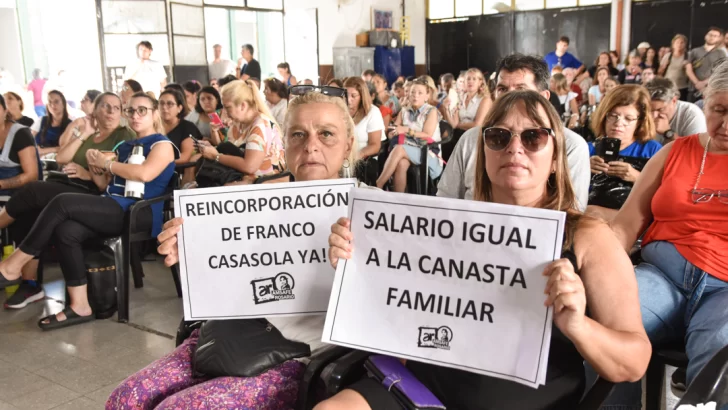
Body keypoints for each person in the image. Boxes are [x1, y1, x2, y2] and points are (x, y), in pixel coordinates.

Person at [317, 90, 651, 410]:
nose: (515, 149)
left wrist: (579, 326)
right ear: (484, 153)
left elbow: (632, 364)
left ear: (554, 158)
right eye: (498, 137)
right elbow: (397, 312)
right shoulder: (442, 226)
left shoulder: (587, 237)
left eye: (533, 137)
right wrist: (357, 267)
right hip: (421, 388)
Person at [107, 90, 359, 410]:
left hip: (303, 353)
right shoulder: (246, 203)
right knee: (124, 399)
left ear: (348, 144)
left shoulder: (371, 213)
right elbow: (225, 274)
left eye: (326, 133)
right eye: (298, 134)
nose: (311, 144)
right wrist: (195, 252)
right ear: (283, 143)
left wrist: (353, 266)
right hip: (233, 334)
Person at [598, 58, 728, 410]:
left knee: (719, 348)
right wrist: (596, 271)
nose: (726, 124)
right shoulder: (676, 151)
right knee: (602, 326)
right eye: (719, 110)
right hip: (662, 275)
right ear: (707, 102)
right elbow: (626, 224)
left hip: (724, 288)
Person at [0, 92, 175, 330]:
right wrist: (94, 165)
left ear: (154, 114)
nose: (135, 115)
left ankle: (13, 266)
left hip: (137, 213)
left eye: (142, 110)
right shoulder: (124, 146)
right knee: (66, 230)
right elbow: (105, 186)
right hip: (112, 204)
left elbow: (144, 174)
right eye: (131, 110)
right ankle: (80, 305)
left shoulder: (162, 145)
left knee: (62, 202)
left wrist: (107, 164)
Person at [1, 93, 134, 309]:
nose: (111, 112)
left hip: (94, 195)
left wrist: (87, 173)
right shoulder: (91, 134)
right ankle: (30, 283)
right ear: (95, 111)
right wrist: (85, 133)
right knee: (30, 212)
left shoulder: (123, 136)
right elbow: (62, 158)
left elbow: (114, 181)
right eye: (106, 107)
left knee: (32, 190)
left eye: (116, 108)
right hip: (71, 186)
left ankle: (13, 264)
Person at [437, 54, 591, 211]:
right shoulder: (471, 138)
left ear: (544, 98)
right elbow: (445, 200)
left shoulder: (571, 144)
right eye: (502, 89)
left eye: (521, 89)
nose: (509, 97)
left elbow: (571, 213)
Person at [587, 85, 662, 220]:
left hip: (632, 222)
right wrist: (582, 169)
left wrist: (637, 177)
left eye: (628, 119)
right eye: (613, 116)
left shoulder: (653, 150)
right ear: (604, 116)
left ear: (640, 122)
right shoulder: (587, 149)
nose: (618, 123)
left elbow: (666, 194)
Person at [196, 80, 285, 183]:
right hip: (242, 179)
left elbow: (249, 166)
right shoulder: (238, 123)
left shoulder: (260, 126)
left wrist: (216, 156)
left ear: (243, 105)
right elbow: (227, 150)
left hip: (263, 185)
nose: (224, 112)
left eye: (228, 107)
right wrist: (212, 147)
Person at [377, 77, 442, 192]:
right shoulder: (404, 110)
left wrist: (406, 130)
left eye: (420, 93)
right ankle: (399, 201)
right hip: (408, 150)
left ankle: (378, 185)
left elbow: (427, 135)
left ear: (427, 96)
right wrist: (392, 133)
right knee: (401, 163)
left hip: (428, 152)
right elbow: (394, 129)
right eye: (412, 92)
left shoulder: (431, 111)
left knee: (399, 149)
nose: (415, 95)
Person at [440, 68, 492, 162]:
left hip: (475, 135)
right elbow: (453, 124)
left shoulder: (485, 100)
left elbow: (477, 124)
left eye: (474, 79)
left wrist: (458, 125)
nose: (470, 81)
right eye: (468, 79)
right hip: (458, 134)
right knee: (445, 145)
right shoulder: (460, 98)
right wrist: (446, 109)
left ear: (480, 82)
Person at [646, 77, 707, 144]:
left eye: (660, 109)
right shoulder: (641, 111)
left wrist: (667, 132)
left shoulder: (692, 114)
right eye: (650, 110)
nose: (654, 115)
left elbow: (695, 150)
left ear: (674, 101)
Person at [0, 94, 40, 196]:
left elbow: (32, 175)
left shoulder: (20, 134)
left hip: (17, 197)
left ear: (5, 111)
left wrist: (2, 184)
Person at [343, 77, 385, 161]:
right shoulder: (340, 110)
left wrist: (356, 156)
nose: (349, 99)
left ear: (362, 96)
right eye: (346, 95)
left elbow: (375, 145)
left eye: (353, 96)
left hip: (364, 160)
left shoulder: (373, 112)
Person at [686, 27, 728, 103]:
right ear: (706, 36)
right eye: (710, 34)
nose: (712, 37)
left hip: (711, 88)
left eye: (715, 36)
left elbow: (722, 71)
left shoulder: (721, 53)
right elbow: (688, 69)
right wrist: (697, 83)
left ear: (718, 39)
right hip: (693, 88)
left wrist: (704, 83)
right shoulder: (695, 51)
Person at [159, 89, 201, 164]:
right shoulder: (153, 126)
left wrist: (159, 163)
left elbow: (185, 157)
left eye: (170, 104)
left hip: (176, 169)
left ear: (179, 108)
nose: (164, 107)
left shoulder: (187, 127)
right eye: (161, 103)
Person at [30, 90, 72, 156]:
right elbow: (30, 142)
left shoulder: (71, 124)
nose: (53, 105)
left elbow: (68, 148)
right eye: (50, 102)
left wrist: (43, 151)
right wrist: (56, 149)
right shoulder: (41, 120)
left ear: (63, 104)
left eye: (56, 102)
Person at [659, 34, 690, 101]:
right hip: (668, 87)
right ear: (673, 44)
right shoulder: (668, 56)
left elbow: (690, 73)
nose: (679, 44)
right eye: (677, 42)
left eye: (682, 42)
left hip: (682, 87)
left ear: (685, 44)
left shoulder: (688, 56)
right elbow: (660, 72)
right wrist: (663, 67)